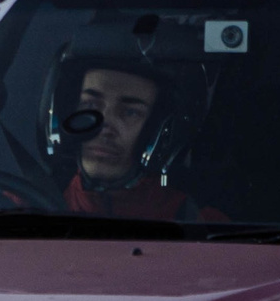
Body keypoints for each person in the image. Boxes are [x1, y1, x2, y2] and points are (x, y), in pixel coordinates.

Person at [62, 65, 220, 222]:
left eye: (130, 112)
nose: (104, 129)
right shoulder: (43, 206)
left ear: (161, 130)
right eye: (90, 105)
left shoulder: (201, 223)